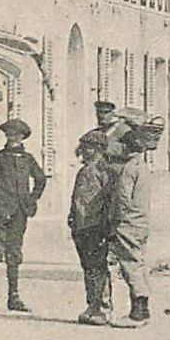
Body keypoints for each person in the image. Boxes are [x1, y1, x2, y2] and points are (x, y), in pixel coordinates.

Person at [0, 118, 47, 313]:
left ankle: (13, 297)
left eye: (17, 135)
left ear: (23, 137)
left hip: (19, 213)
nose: (13, 138)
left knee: (14, 253)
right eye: (9, 134)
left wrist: (32, 199)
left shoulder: (28, 159)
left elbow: (40, 179)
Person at [106, 119, 160, 328]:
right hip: (140, 222)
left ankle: (138, 312)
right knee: (136, 263)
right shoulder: (142, 166)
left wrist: (113, 223)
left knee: (130, 266)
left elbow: (122, 200)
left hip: (127, 223)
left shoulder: (129, 169)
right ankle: (140, 309)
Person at [68, 134, 114, 325]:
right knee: (89, 266)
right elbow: (77, 197)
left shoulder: (104, 171)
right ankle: (92, 305)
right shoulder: (85, 170)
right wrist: (72, 216)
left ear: (98, 149)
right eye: (84, 146)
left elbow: (110, 200)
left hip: (96, 225)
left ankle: (102, 308)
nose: (84, 150)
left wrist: (107, 225)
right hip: (81, 225)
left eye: (88, 147)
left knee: (97, 266)